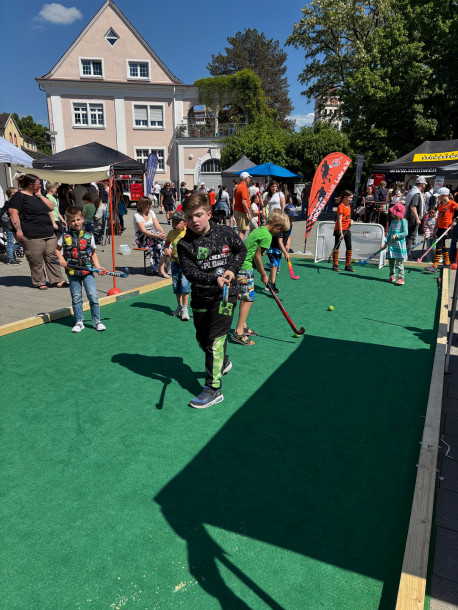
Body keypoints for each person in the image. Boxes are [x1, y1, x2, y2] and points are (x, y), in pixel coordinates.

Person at [177, 191, 247, 409]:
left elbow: (241, 250)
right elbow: (190, 273)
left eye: (198, 215)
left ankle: (213, 389)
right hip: (200, 298)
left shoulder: (225, 232)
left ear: (208, 214)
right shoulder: (184, 244)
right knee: (204, 340)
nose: (194, 220)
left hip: (225, 296)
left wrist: (232, 269)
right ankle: (223, 361)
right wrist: (213, 279)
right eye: (189, 217)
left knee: (216, 341)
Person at [233, 209, 290, 346]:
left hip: (242, 266)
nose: (279, 233)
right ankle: (238, 332)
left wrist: (259, 270)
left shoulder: (259, 230)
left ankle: (243, 325)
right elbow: (257, 256)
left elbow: (252, 252)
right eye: (280, 230)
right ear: (276, 224)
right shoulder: (267, 236)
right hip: (245, 267)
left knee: (247, 298)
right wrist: (264, 274)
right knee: (248, 299)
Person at [8, 173, 67, 289]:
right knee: (36, 259)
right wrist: (18, 230)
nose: (40, 186)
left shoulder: (39, 195)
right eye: (38, 184)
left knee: (52, 257)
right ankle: (39, 281)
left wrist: (40, 195)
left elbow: (51, 207)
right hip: (31, 234)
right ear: (30, 185)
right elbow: (13, 213)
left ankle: (57, 280)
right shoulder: (19, 196)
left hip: (48, 232)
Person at [55, 206, 106, 333]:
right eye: (73, 221)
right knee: (76, 297)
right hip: (72, 272)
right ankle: (79, 321)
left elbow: (93, 253)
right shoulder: (64, 236)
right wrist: (61, 259)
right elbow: (57, 249)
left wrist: (98, 266)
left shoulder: (89, 236)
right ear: (68, 222)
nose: (76, 223)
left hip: (87, 271)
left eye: (78, 219)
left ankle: (96, 320)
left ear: (82, 219)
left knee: (93, 296)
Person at [164, 210, 190, 320]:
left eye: (178, 222)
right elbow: (167, 243)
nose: (175, 225)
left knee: (184, 284)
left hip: (185, 264)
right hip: (175, 262)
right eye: (173, 222)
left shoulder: (188, 233)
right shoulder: (171, 233)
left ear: (185, 223)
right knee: (176, 285)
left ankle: (185, 309)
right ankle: (179, 306)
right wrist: (166, 249)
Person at [134, 196, 168, 277]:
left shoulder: (151, 212)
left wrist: (162, 233)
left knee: (164, 243)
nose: (149, 206)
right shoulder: (137, 215)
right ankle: (160, 268)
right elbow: (143, 231)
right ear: (142, 205)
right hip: (142, 238)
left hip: (152, 236)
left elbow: (157, 225)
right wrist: (157, 235)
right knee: (161, 243)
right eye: (148, 204)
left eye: (150, 204)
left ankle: (161, 267)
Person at [426, 187, 458, 272]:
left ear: (444, 195)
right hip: (440, 228)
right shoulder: (440, 205)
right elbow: (438, 218)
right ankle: (447, 263)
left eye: (439, 195)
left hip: (446, 228)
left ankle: (435, 265)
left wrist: (456, 220)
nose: (437, 197)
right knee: (442, 245)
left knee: (439, 245)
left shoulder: (452, 203)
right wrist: (434, 230)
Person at [384, 203, 408, 285]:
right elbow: (390, 232)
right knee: (391, 262)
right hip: (392, 245)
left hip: (399, 246)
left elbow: (405, 232)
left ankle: (401, 278)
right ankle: (392, 276)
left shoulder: (403, 221)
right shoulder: (393, 222)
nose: (391, 213)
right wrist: (386, 242)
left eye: (393, 212)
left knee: (399, 263)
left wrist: (397, 235)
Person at [332, 190, 355, 272]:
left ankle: (347, 265)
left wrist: (351, 221)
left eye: (352, 198)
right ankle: (335, 265)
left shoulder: (348, 206)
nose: (351, 199)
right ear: (345, 197)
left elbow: (347, 217)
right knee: (337, 246)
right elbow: (339, 220)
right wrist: (341, 233)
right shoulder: (341, 206)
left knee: (349, 246)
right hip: (340, 230)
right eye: (350, 198)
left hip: (347, 229)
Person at [405, 176, 427, 260]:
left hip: (410, 217)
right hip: (412, 218)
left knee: (408, 237)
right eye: (424, 184)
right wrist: (417, 218)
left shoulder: (412, 192)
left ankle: (406, 254)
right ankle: (407, 255)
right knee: (410, 237)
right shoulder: (416, 193)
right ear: (422, 185)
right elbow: (413, 207)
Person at [265, 221, 290, 293]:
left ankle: (269, 284)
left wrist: (288, 245)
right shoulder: (281, 228)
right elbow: (280, 242)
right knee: (275, 265)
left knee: (276, 267)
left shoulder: (289, 225)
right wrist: (285, 253)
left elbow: (289, 236)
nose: (292, 219)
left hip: (278, 250)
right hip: (271, 248)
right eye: (290, 218)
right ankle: (272, 285)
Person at [2, 187, 22, 264]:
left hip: (13, 224)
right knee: (10, 241)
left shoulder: (12, 202)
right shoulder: (11, 202)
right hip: (9, 225)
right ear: (12, 193)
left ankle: (11, 253)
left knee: (21, 240)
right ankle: (10, 259)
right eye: (16, 192)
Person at [233, 171, 252, 240]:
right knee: (242, 231)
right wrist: (248, 213)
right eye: (249, 178)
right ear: (246, 178)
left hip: (237, 210)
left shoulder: (237, 187)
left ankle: (237, 244)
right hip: (242, 211)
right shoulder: (243, 187)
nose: (249, 179)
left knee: (240, 230)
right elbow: (244, 201)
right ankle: (238, 245)